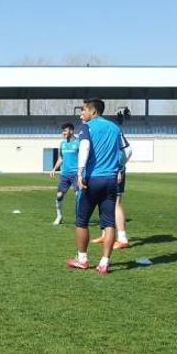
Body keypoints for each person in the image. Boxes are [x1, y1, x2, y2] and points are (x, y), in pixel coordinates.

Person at [65, 99, 127, 274]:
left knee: (81, 221)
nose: (81, 114)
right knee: (108, 223)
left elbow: (84, 146)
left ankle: (82, 259)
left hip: (92, 179)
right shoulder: (115, 127)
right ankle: (104, 263)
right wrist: (120, 167)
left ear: (93, 112)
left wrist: (80, 172)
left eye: (83, 110)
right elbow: (127, 151)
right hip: (111, 180)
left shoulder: (87, 127)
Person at [92, 133, 132, 248]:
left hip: (114, 171)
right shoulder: (94, 128)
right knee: (102, 202)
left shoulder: (113, 129)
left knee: (116, 203)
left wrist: (119, 167)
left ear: (94, 113)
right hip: (102, 171)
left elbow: (128, 151)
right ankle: (105, 234)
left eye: (83, 113)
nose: (81, 116)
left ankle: (122, 239)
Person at [49, 123, 79, 225]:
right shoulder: (62, 144)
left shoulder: (79, 143)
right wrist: (54, 169)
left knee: (78, 195)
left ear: (71, 131)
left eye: (65, 131)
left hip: (76, 174)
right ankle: (59, 216)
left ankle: (78, 217)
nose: (63, 133)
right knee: (59, 195)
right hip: (65, 174)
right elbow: (61, 158)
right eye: (63, 131)